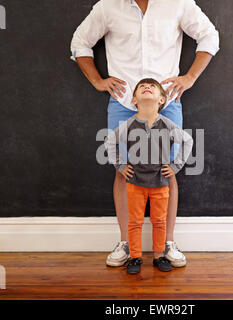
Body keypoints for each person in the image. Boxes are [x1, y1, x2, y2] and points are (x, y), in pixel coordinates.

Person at [70, 0, 220, 267]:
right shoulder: (107, 6)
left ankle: (168, 244)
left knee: (168, 169)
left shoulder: (179, 4)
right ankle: (126, 243)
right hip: (124, 102)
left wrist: (190, 77)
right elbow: (80, 42)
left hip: (168, 102)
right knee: (122, 169)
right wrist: (97, 81)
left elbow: (210, 36)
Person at [104, 78, 193, 274]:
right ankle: (135, 257)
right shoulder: (128, 124)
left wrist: (176, 165)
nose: (147, 87)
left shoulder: (167, 125)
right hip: (135, 183)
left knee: (159, 220)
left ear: (162, 100)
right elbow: (110, 141)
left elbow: (188, 140)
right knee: (134, 221)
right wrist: (120, 164)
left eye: (152, 86)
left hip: (160, 183)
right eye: (142, 87)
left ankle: (159, 255)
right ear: (134, 100)